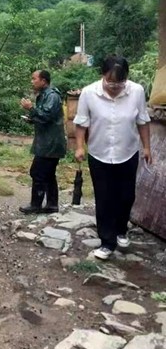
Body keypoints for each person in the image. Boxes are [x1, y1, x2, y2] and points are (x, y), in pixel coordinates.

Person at [74, 55, 151, 260]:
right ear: (102, 75)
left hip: (128, 152)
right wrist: (79, 147)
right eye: (110, 81)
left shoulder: (137, 91)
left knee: (126, 196)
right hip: (99, 153)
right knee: (104, 198)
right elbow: (81, 123)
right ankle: (107, 242)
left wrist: (146, 147)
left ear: (126, 77)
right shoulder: (89, 93)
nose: (115, 86)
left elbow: (143, 121)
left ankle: (121, 230)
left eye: (120, 82)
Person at [19, 70, 67, 214]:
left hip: (50, 143)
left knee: (38, 172)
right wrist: (32, 119)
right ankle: (52, 205)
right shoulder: (44, 95)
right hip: (47, 142)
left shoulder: (52, 96)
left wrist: (31, 108)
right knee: (48, 174)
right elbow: (45, 118)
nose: (32, 82)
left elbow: (46, 116)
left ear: (43, 81)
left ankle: (36, 205)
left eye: (34, 79)